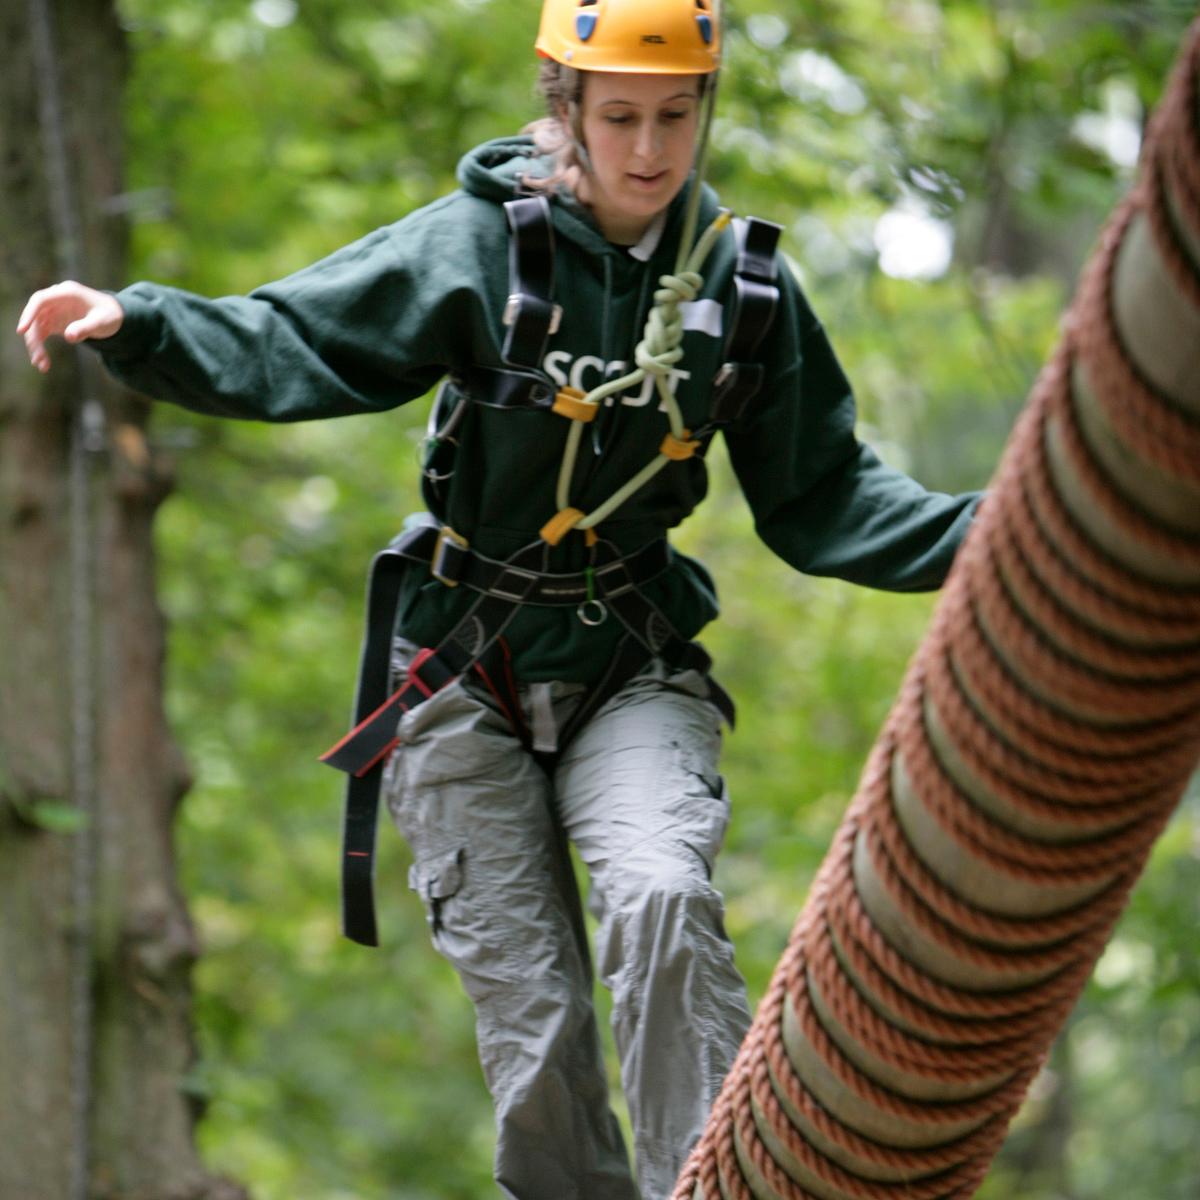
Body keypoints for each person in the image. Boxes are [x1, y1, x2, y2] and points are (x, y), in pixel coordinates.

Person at [18, 1, 980, 1196]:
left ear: (705, 110)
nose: (648, 149)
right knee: (537, 1029)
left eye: (674, 116)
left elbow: (826, 497)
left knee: (663, 898)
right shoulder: (482, 248)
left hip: (628, 660)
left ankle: (712, 1186)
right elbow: (299, 337)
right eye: (618, 116)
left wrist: (1005, 533)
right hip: (460, 670)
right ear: (564, 107)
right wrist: (136, 322)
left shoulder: (745, 290)